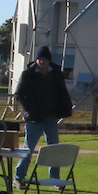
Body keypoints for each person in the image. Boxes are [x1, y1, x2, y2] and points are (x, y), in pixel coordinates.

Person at [12, 45, 74, 181]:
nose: (42, 61)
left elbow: (62, 92)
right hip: (34, 118)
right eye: (39, 58)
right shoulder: (28, 74)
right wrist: (28, 110)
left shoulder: (56, 74)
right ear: (36, 59)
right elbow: (19, 94)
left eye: (44, 59)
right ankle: (19, 177)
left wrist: (64, 109)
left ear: (49, 60)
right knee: (28, 149)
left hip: (51, 116)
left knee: (54, 149)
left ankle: (54, 179)